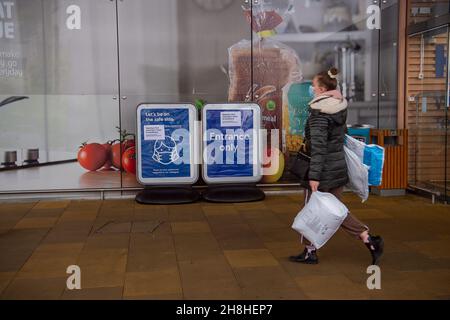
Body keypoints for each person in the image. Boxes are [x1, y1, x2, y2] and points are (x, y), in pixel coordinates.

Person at [289, 67, 384, 265]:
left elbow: (318, 146)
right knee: (337, 211)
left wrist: (314, 176)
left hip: (322, 172)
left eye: (314, 86)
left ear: (322, 89)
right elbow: (338, 138)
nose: (312, 89)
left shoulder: (319, 112)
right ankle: (368, 239)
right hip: (337, 168)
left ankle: (309, 252)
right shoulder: (339, 106)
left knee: (310, 211)